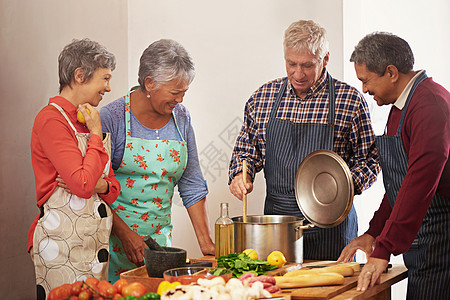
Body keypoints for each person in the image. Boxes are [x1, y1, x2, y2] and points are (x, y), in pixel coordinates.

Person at [228, 20, 380, 260]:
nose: (298, 74)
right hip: (278, 226)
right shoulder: (262, 98)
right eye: (292, 64)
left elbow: (370, 160)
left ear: (325, 59)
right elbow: (246, 151)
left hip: (332, 227)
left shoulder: (349, 101)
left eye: (308, 65)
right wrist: (241, 174)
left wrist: (342, 188)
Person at [338, 32, 450, 299]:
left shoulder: (429, 105)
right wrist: (374, 233)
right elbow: (399, 183)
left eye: (366, 80)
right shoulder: (399, 107)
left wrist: (384, 248)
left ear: (391, 72)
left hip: (441, 239)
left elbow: (418, 184)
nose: (364, 90)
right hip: (422, 239)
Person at [100, 39, 215, 281]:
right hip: (113, 243)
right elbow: (95, 188)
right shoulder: (112, 118)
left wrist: (207, 245)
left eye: (184, 92)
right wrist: (125, 234)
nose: (180, 100)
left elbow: (191, 184)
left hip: (159, 247)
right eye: (175, 92)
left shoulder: (181, 117)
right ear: (149, 83)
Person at [28, 39, 120, 299]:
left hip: (94, 246)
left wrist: (98, 184)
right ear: (80, 75)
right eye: (105, 78)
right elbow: (82, 185)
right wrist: (95, 135)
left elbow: (111, 189)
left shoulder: (88, 119)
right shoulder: (51, 119)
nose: (108, 88)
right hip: (60, 246)